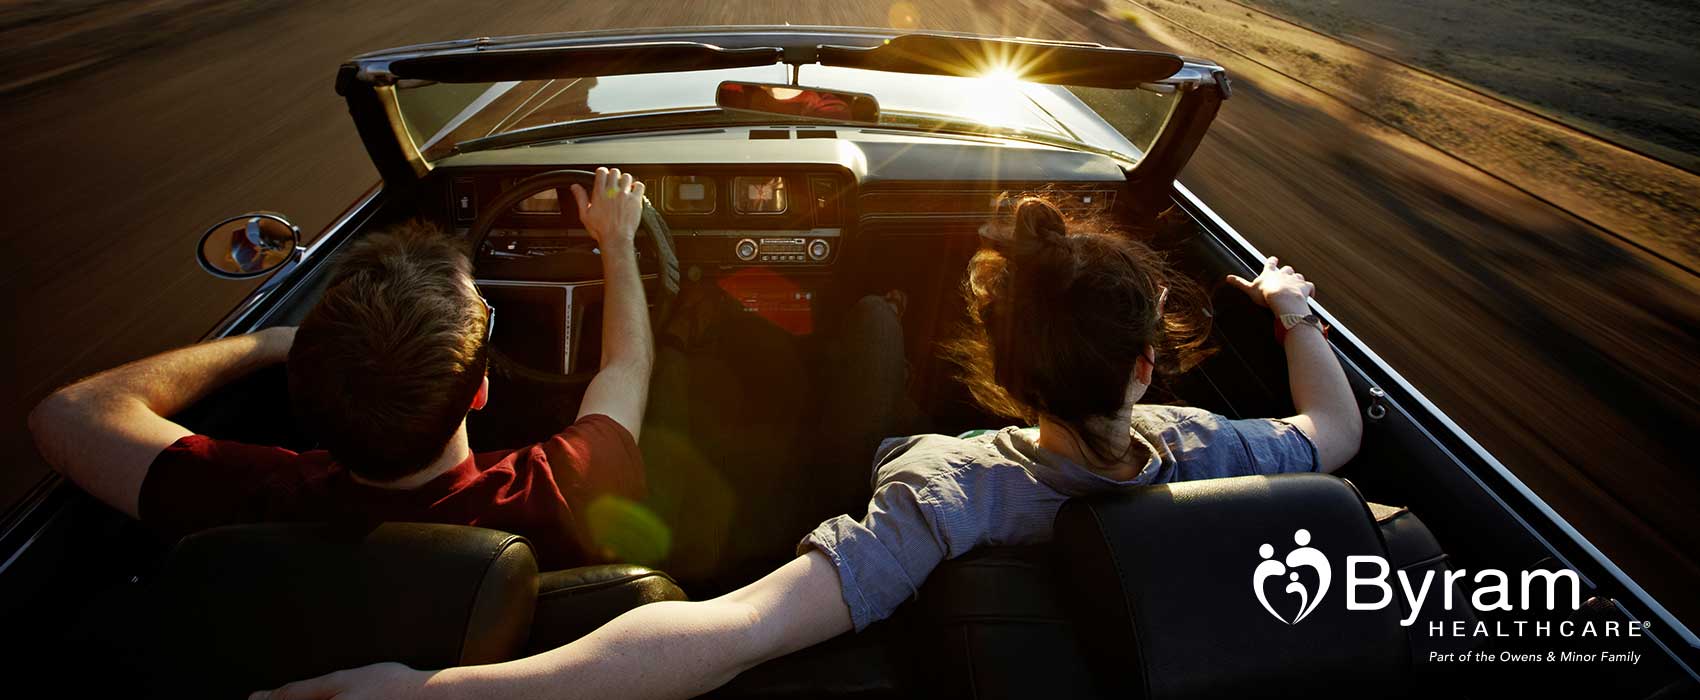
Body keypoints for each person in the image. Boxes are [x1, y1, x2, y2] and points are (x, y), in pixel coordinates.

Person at [254, 197, 1364, 699]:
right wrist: (1292, 312)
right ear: (1143, 364)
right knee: (867, 319)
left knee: (868, 328)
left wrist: (438, 693)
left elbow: (726, 628)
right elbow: (1336, 431)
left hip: (890, 509)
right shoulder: (1214, 447)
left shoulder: (945, 487)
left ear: (997, 365)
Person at [28, 167, 654, 570]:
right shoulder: (563, 489)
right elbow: (627, 365)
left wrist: (269, 343)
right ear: (481, 392)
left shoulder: (250, 501)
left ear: (306, 389)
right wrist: (617, 243)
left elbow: (66, 413)